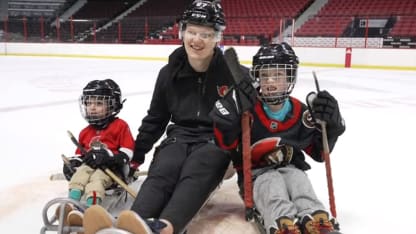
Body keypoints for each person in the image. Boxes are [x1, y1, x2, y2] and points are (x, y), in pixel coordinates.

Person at [81, 1, 243, 234]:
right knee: (163, 170)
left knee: (195, 172)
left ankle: (165, 228)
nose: (197, 40)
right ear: (182, 32)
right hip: (179, 138)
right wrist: (135, 157)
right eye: (192, 32)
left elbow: (253, 118)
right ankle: (130, 225)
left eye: (205, 34)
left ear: (217, 37)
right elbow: (156, 118)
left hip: (217, 141)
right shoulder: (169, 73)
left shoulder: (234, 73)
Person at [209, 43, 345, 234]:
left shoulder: (301, 113)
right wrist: (228, 119)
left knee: (299, 179)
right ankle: (283, 222)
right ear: (256, 78)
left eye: (279, 75)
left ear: (290, 77)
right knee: (271, 183)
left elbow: (319, 153)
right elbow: (226, 144)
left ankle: (316, 217)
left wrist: (333, 129)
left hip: (290, 167)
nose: (271, 81)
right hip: (257, 175)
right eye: (265, 75)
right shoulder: (247, 110)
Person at [59, 79, 135, 226]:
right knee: (79, 176)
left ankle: (91, 209)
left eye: (99, 103)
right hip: (91, 166)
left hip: (110, 169)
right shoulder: (85, 132)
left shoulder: (120, 126)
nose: (92, 108)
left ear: (113, 105)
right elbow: (81, 155)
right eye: (88, 103)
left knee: (97, 181)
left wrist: (109, 157)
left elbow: (128, 152)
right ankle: (72, 205)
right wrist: (74, 163)